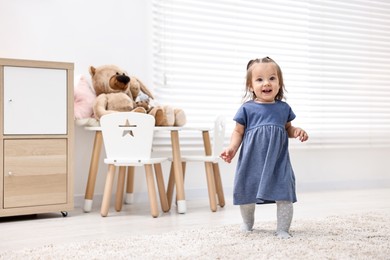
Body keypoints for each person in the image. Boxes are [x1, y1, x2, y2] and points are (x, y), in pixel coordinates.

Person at [220, 57, 309, 239]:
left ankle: (283, 228)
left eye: (272, 78)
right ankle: (247, 223)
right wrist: (231, 148)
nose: (266, 83)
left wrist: (296, 131)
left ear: (279, 84)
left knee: (284, 193)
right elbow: (238, 132)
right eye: (259, 79)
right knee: (247, 192)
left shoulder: (283, 109)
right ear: (250, 86)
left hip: (277, 162)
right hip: (252, 161)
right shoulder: (247, 109)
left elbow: (288, 128)